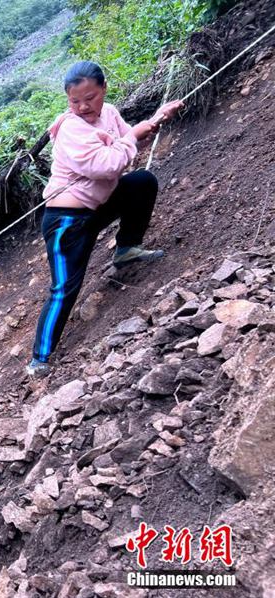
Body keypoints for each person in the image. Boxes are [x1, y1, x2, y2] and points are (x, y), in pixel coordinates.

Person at [27, 61, 184, 378]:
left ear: (103, 90)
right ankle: (39, 360)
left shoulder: (109, 112)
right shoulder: (71, 129)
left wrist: (156, 119)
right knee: (64, 288)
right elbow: (108, 165)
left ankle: (126, 250)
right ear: (68, 100)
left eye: (90, 97)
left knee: (141, 182)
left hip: (96, 206)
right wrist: (131, 139)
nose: (83, 106)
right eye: (75, 101)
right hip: (66, 222)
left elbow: (129, 143)